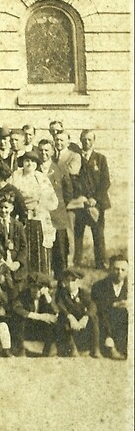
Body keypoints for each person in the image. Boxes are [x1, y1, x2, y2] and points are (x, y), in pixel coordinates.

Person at [72, 130, 111, 270]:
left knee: (98, 233)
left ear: (93, 141)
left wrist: (95, 198)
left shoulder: (100, 159)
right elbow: (74, 180)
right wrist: (81, 198)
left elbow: (105, 181)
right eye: (84, 139)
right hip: (81, 202)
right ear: (80, 140)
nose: (86, 142)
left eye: (89, 140)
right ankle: (77, 262)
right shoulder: (75, 158)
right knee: (78, 233)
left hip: (97, 204)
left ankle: (101, 263)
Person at [91, 255, 128, 359]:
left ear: (128, 271)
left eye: (123, 269)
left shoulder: (130, 286)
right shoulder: (99, 286)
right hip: (107, 319)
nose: (119, 272)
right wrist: (115, 304)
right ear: (110, 269)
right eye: (116, 269)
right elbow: (98, 306)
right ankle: (110, 344)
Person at [56, 268, 99, 357]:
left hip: (81, 320)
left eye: (74, 280)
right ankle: (72, 348)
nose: (71, 284)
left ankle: (95, 349)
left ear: (79, 282)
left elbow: (92, 305)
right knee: (62, 318)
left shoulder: (84, 293)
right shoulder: (61, 294)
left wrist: (86, 317)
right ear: (64, 282)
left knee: (94, 318)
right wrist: (70, 317)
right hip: (69, 321)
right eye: (68, 281)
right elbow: (60, 306)